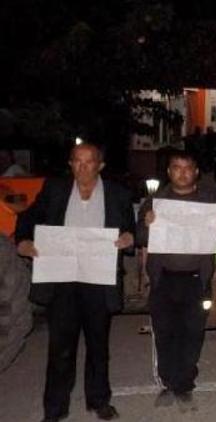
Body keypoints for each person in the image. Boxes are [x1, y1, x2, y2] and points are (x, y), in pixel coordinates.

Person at [15, 143, 135, 422]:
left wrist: (128, 238)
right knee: (60, 349)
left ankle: (98, 401)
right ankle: (55, 410)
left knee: (98, 347)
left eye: (89, 162)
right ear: (70, 164)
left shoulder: (117, 194)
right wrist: (22, 240)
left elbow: (129, 228)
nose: (82, 167)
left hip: (99, 279)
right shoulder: (54, 189)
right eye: (76, 162)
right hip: (62, 280)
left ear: (100, 165)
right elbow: (28, 217)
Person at [136, 150, 216, 412]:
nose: (183, 172)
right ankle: (168, 382)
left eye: (188, 168)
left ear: (196, 172)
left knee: (193, 332)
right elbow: (140, 237)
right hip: (164, 279)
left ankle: (184, 384)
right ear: (169, 172)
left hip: (197, 280)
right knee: (164, 333)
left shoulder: (209, 201)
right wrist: (146, 224)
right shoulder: (155, 202)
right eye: (177, 167)